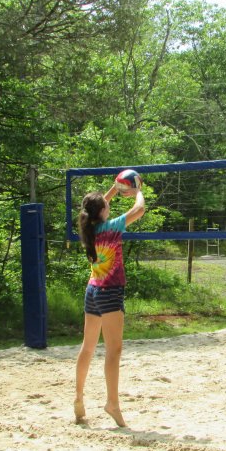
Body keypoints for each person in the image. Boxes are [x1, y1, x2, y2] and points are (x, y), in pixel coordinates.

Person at [74, 182, 145, 427]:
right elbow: (139, 210)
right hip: (109, 292)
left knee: (88, 347)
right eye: (106, 204)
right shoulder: (111, 228)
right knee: (113, 350)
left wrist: (114, 190)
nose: (109, 204)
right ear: (103, 211)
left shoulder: (88, 228)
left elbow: (96, 207)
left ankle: (78, 397)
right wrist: (138, 191)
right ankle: (112, 403)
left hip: (92, 289)